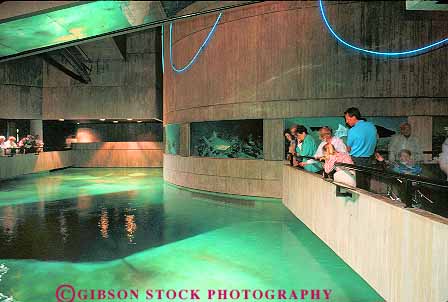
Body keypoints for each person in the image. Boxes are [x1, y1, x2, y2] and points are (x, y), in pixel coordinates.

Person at [344, 107, 377, 189]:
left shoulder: (352, 130)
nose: (346, 121)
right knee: (366, 184)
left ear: (354, 117)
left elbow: (348, 148)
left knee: (358, 186)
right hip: (369, 160)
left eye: (347, 119)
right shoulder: (372, 126)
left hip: (356, 160)